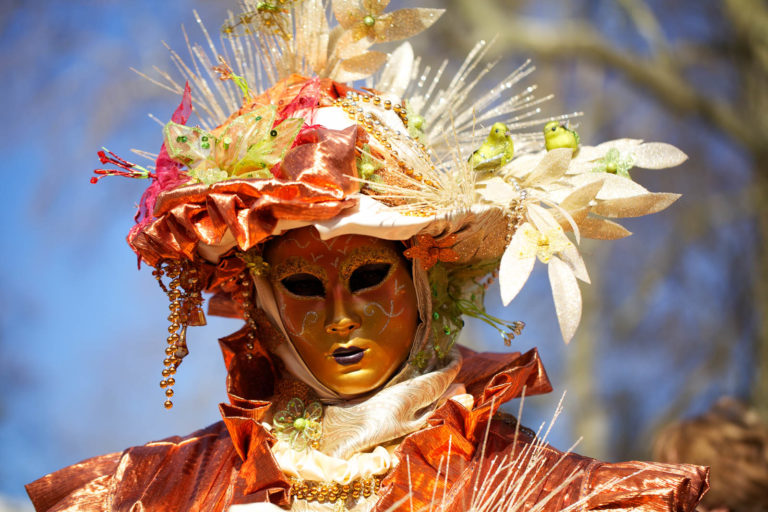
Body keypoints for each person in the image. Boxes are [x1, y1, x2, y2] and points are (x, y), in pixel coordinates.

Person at [26, 2, 708, 510]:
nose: (341, 316)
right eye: (301, 286)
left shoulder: (534, 486)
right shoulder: (167, 490)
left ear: (422, 281)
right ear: (257, 301)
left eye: (370, 275)